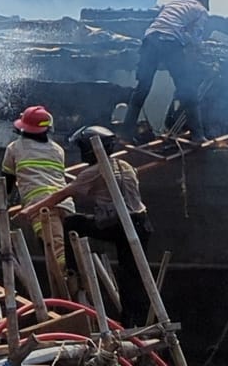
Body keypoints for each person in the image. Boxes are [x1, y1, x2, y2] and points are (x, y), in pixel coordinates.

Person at [19, 125, 153, 326]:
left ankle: (72, 270)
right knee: (131, 276)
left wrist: (30, 210)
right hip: (142, 224)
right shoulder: (124, 165)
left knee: (73, 222)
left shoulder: (91, 172)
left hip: (119, 225)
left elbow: (60, 195)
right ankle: (133, 323)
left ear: (89, 150)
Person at [121, 0, 211, 142]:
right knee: (187, 90)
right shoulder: (200, 9)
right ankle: (198, 135)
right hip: (170, 42)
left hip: (149, 40)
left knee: (142, 88)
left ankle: (126, 134)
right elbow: (195, 38)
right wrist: (199, 50)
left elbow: (168, 23)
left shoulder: (173, 2)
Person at [1, 105, 73, 271]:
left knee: (57, 254)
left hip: (39, 207)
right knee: (69, 249)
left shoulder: (15, 148)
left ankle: (67, 285)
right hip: (65, 204)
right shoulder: (58, 150)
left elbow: (7, 182)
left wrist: (0, 203)